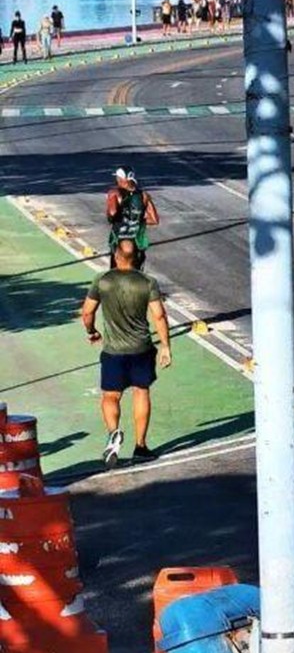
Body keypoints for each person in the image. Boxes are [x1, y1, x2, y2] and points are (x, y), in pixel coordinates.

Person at [81, 239, 172, 467]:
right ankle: (140, 447)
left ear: (116, 255)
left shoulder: (102, 281)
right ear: (137, 258)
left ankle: (114, 433)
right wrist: (165, 345)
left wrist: (92, 331)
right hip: (142, 348)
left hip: (113, 351)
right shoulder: (148, 282)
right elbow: (159, 315)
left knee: (110, 396)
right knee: (141, 392)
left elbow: (87, 312)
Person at [106, 167, 160, 270]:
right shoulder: (144, 195)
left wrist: (113, 218)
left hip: (118, 240)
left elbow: (112, 213)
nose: (117, 180)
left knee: (116, 275)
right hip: (137, 243)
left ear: (121, 179)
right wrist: (137, 221)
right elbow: (154, 220)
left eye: (117, 178)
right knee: (137, 275)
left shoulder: (114, 193)